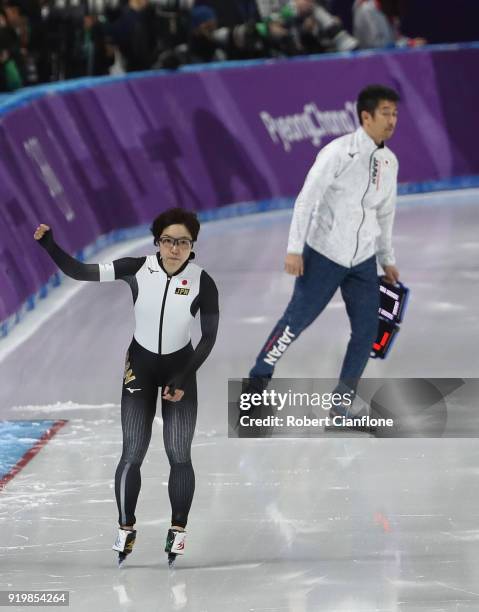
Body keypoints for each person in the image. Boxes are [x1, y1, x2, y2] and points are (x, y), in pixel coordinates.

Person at [33, 207, 219, 567]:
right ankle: (125, 527)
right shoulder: (136, 268)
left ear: (192, 245)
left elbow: (209, 338)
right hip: (141, 368)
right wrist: (50, 246)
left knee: (179, 454)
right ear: (157, 242)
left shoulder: (202, 281)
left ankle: (178, 530)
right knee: (132, 451)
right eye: (168, 241)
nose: (175, 248)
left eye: (183, 242)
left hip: (182, 370)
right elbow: (81, 272)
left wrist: (183, 377)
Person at [244, 84, 400, 418]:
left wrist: (386, 258)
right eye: (385, 113)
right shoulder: (337, 153)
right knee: (295, 322)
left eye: (395, 114)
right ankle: (256, 383)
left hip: (362, 260)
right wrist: (293, 249)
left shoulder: (389, 162)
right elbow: (306, 199)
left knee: (366, 331)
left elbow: (385, 212)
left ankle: (342, 405)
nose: (392, 120)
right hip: (324, 254)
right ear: (366, 116)